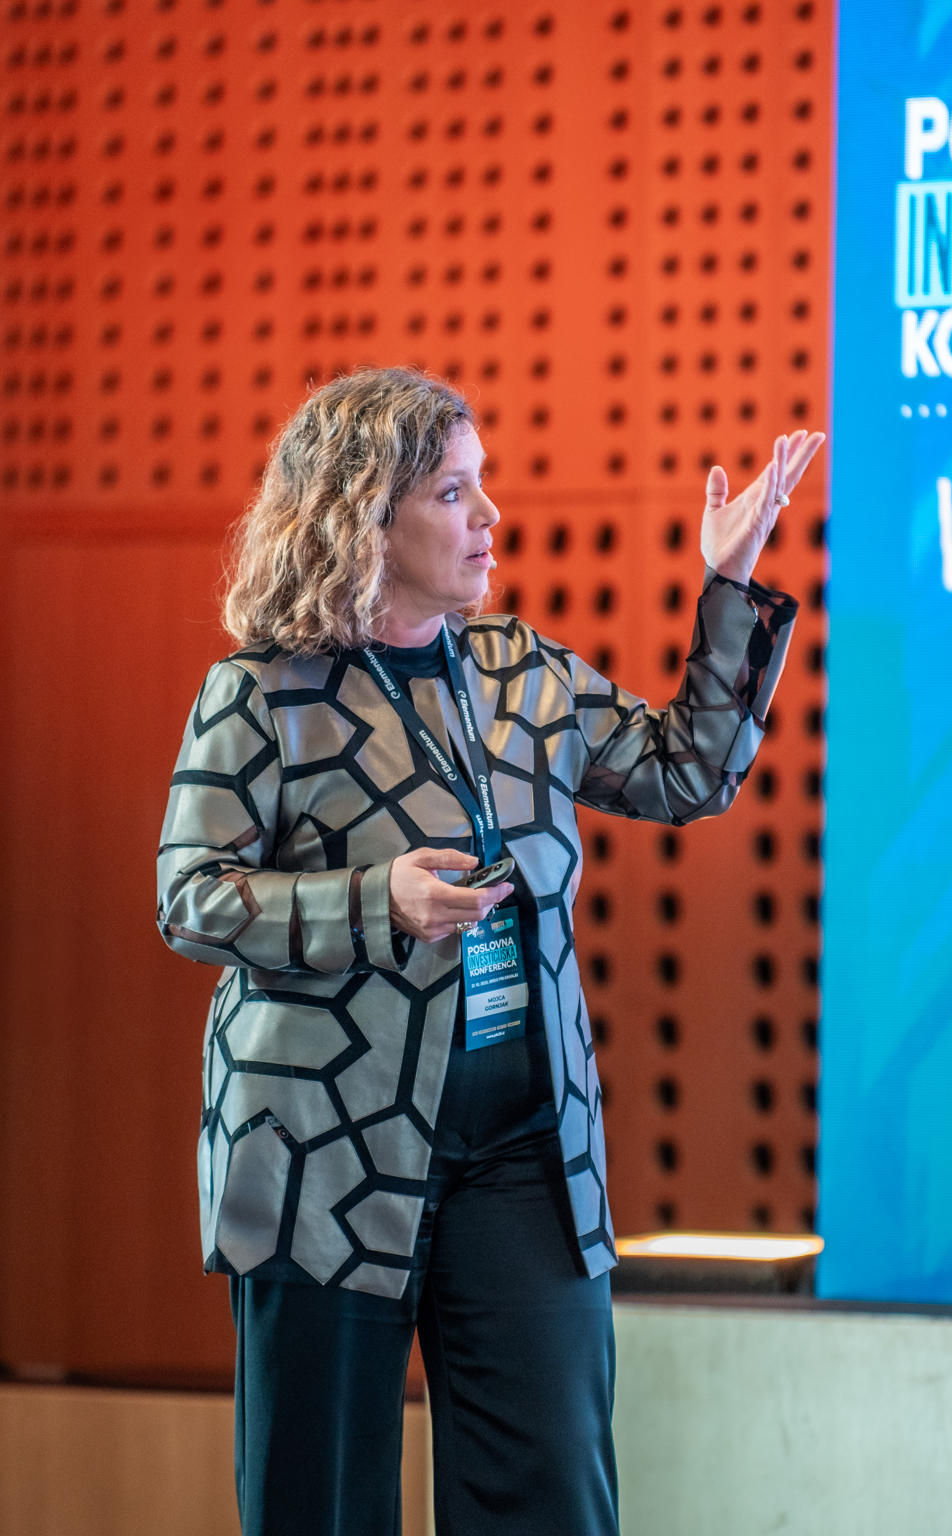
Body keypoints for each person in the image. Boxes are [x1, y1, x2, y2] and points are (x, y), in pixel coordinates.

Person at [157, 365, 823, 1536]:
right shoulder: (261, 692)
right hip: (326, 1156)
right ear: (365, 516)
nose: (489, 516)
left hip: (522, 1157)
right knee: (320, 1505)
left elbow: (685, 772)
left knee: (551, 1496)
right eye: (453, 492)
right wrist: (375, 901)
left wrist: (727, 585)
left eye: (482, 485)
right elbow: (191, 899)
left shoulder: (522, 673)